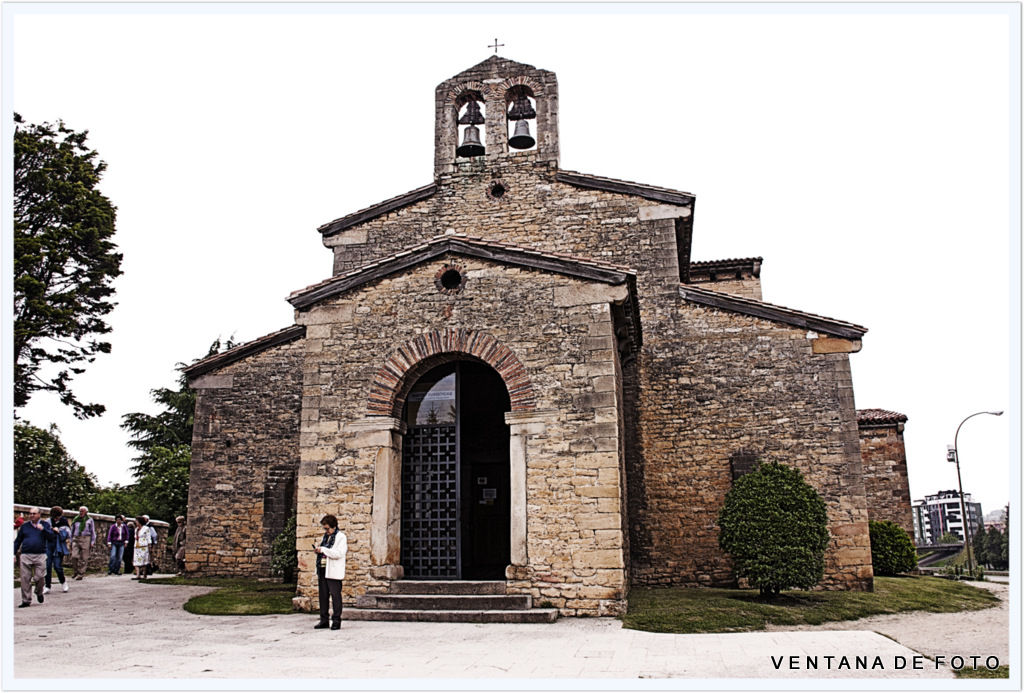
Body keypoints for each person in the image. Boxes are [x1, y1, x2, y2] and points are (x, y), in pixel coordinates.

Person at [312, 514, 347, 630]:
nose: (326, 531)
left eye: (327, 528)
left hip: (334, 571)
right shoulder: (325, 537)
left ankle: (336, 620)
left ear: (333, 527)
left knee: (336, 596)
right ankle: (324, 619)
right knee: (323, 595)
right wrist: (319, 551)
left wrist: (323, 550)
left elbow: (338, 553)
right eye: (325, 529)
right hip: (323, 569)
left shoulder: (341, 537)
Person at [14, 507, 52, 607]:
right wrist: (13, 553)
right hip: (26, 554)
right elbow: (18, 541)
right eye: (30, 513)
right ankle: (26, 600)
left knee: (39, 577)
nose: (31, 515)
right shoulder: (25, 526)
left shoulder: (45, 525)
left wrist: (43, 530)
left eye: (34, 514)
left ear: (39, 514)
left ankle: (39, 592)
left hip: (40, 554)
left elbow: (51, 537)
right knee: (25, 578)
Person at [44, 506, 70, 594]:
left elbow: (67, 536)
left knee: (57, 566)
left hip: (58, 546)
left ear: (60, 516)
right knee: (47, 566)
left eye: (57, 517)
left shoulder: (64, 522)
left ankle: (63, 582)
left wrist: (58, 531)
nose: (55, 519)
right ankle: (47, 585)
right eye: (53, 517)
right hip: (49, 545)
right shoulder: (48, 521)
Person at [69, 506, 97, 580]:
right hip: (76, 537)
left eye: (83, 511)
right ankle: (75, 571)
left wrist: (92, 542)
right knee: (74, 556)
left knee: (84, 557)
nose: (81, 513)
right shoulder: (76, 519)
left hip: (86, 538)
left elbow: (92, 531)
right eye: (80, 511)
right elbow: (72, 530)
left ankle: (81, 573)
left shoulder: (89, 520)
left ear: (86, 512)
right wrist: (71, 540)